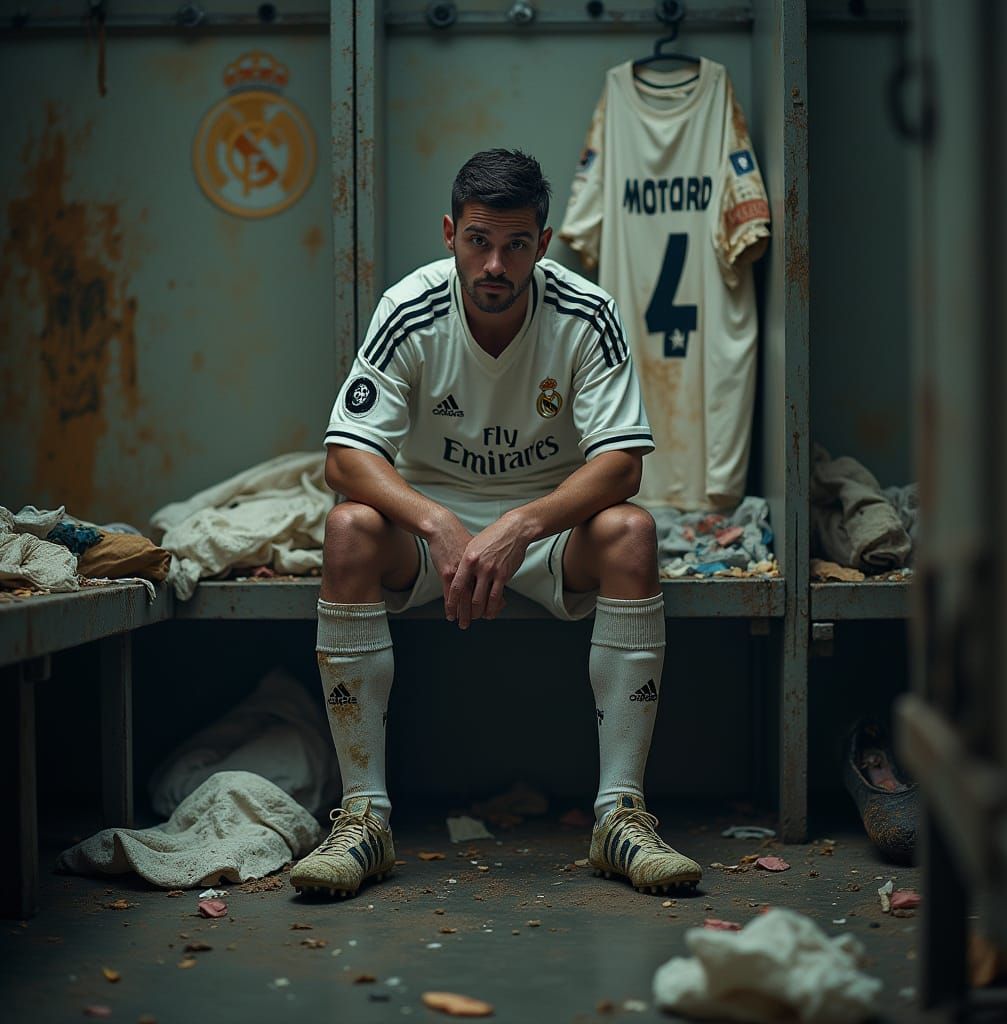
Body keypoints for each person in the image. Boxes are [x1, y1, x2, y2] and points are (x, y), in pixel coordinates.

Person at [290, 149, 702, 899]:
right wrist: (437, 522)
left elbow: (620, 467)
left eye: (516, 245)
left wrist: (520, 525)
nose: (495, 264)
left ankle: (619, 815)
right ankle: (363, 818)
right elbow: (346, 458)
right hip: (430, 526)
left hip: (549, 524)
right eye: (479, 240)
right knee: (348, 527)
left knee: (632, 532)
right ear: (450, 233)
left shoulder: (586, 311)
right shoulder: (409, 308)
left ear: (542, 245)